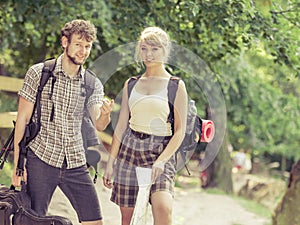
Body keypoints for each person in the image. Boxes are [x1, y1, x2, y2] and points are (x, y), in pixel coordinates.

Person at [12, 19, 114, 225]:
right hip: (41, 157)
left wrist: (105, 114)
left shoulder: (92, 83)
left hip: (75, 161)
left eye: (87, 46)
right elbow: (22, 120)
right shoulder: (39, 73)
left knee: (94, 221)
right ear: (65, 42)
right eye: (78, 44)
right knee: (32, 220)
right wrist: (18, 168)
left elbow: (99, 124)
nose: (83, 51)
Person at [103, 27, 188, 225]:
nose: (148, 54)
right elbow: (122, 125)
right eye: (144, 48)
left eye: (154, 49)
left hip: (160, 150)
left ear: (165, 51)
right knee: (129, 218)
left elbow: (180, 131)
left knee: (163, 208)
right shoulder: (131, 84)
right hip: (129, 151)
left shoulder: (175, 85)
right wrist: (110, 163)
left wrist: (161, 160)